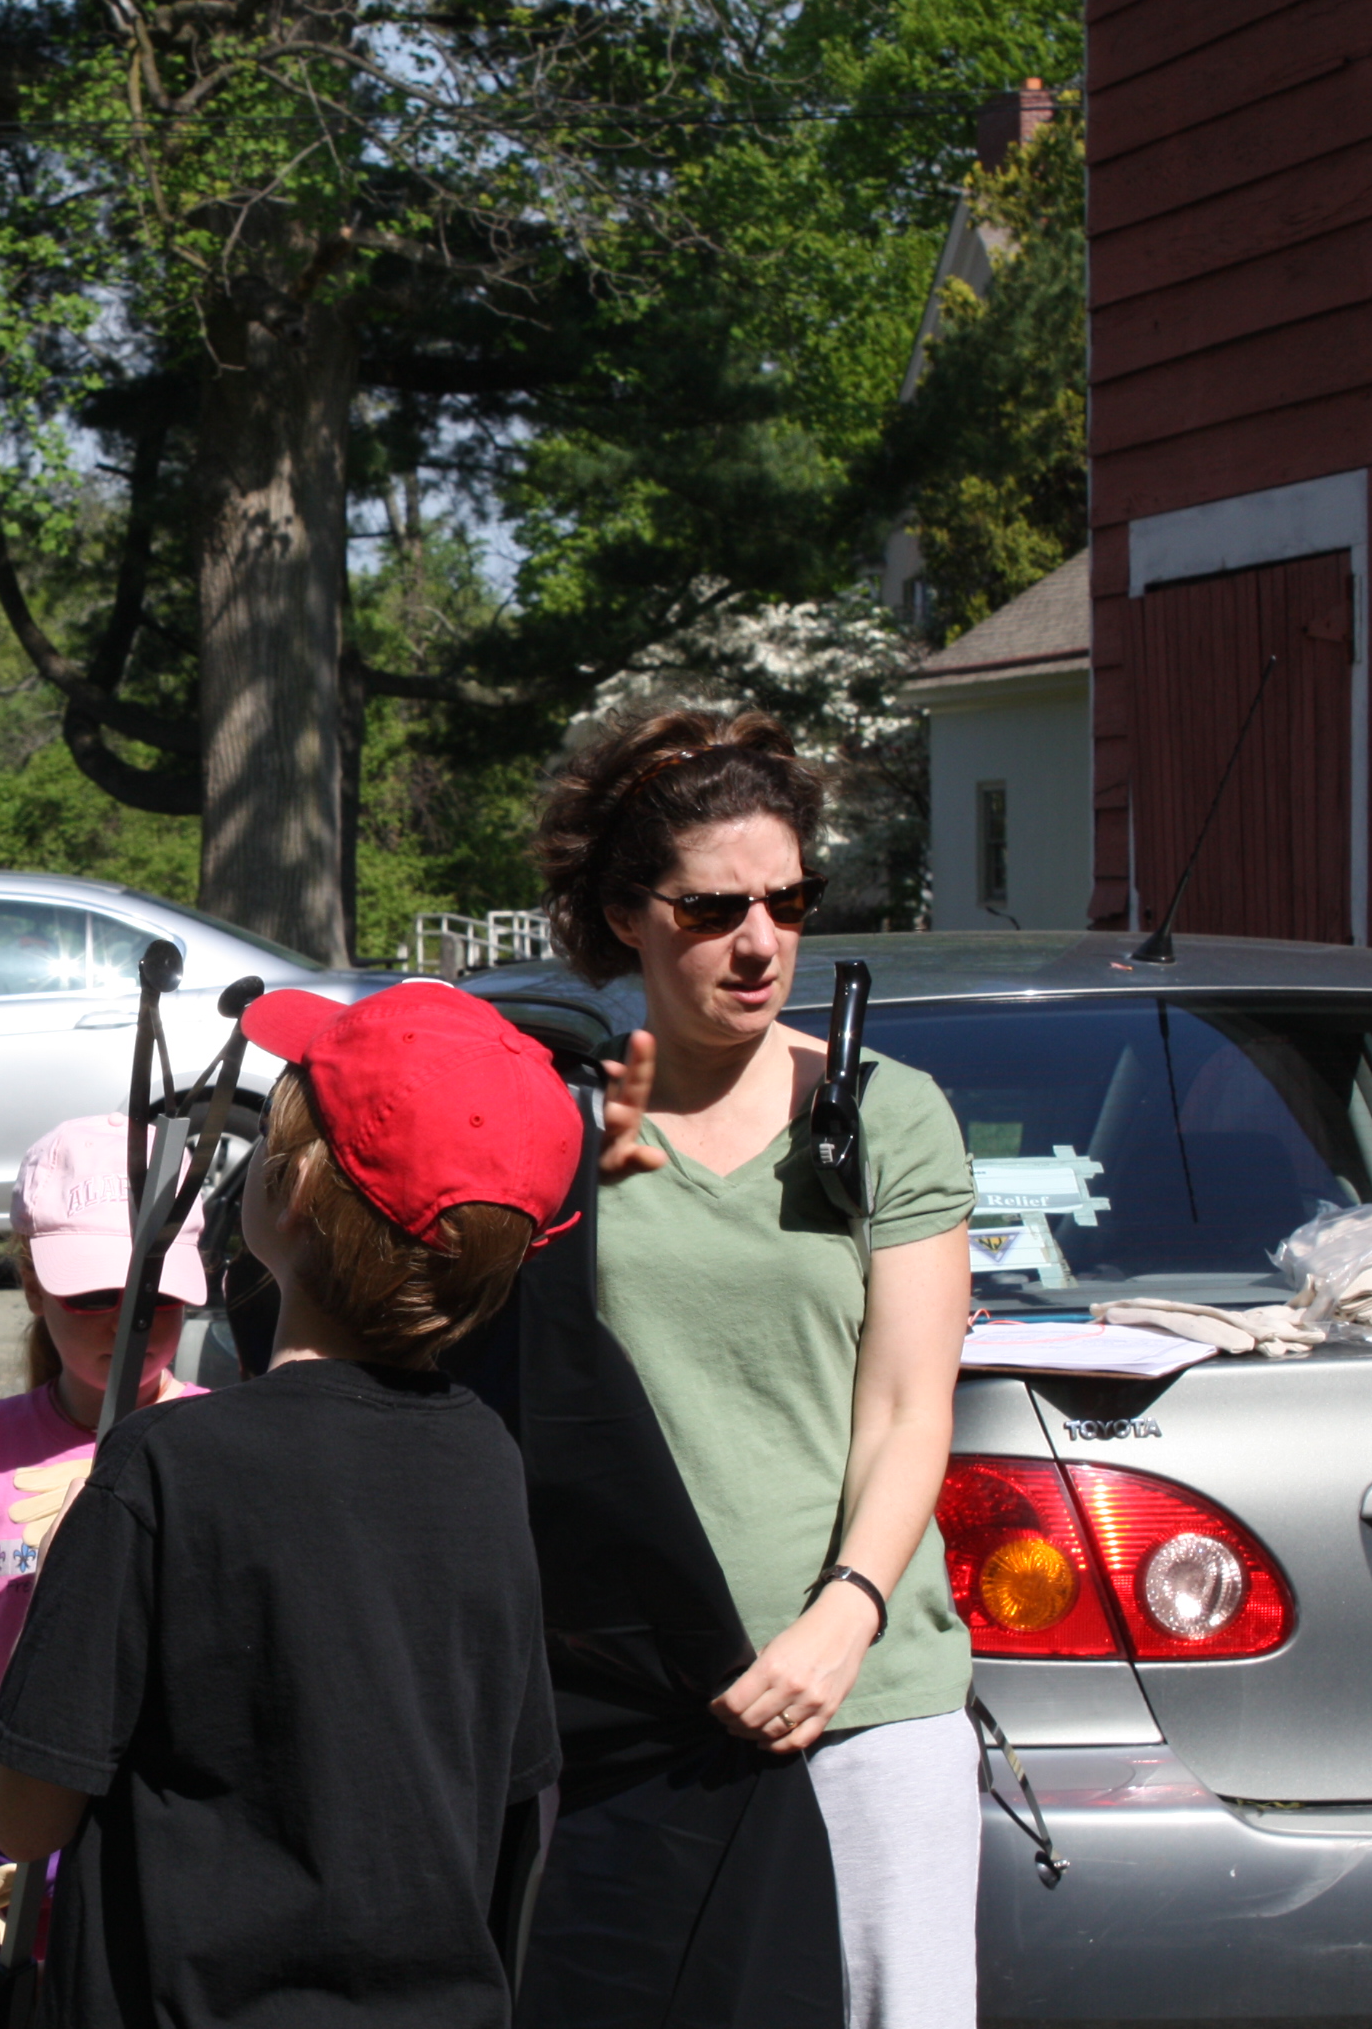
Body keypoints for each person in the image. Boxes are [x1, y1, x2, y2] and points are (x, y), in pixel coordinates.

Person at [0, 981, 577, 2028]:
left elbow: (23, 1814)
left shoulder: (165, 1463)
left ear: (288, 1187)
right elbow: (516, 1788)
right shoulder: (487, 1459)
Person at [500, 707, 976, 2029]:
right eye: (715, 910)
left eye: (788, 900)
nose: (761, 941)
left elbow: (906, 1403)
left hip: (864, 1698)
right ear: (625, 915)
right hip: (624, 1715)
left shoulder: (888, 1117)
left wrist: (845, 1616)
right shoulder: (554, 1140)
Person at [0, 1113, 208, 1968]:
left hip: (165, 1853)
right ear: (31, 1283)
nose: (126, 1320)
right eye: (92, 1294)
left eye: (154, 1295)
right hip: (12, 1845)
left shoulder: (224, 1444)